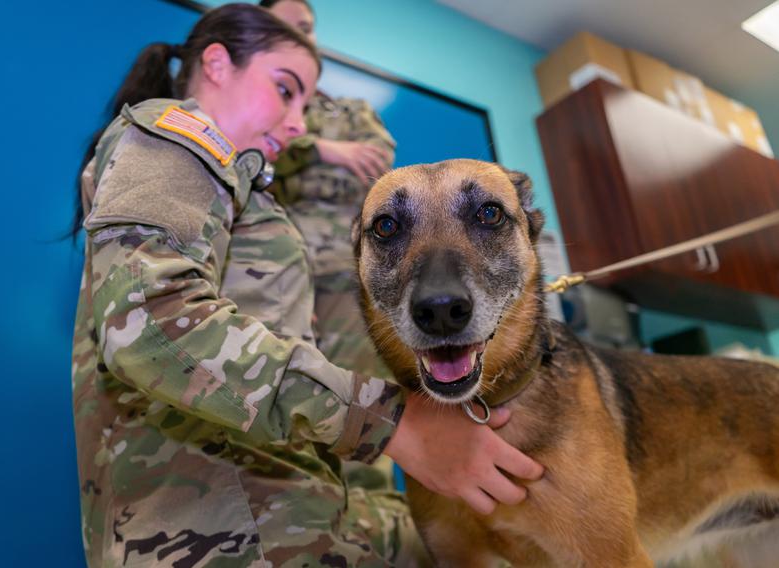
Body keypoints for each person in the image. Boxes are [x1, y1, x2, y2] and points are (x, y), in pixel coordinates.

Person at [71, 4, 543, 567]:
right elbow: (150, 326)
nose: (299, 122)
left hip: (278, 519)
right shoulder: (176, 135)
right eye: (285, 90)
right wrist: (392, 424)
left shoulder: (250, 189)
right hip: (223, 538)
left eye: (306, 102)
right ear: (217, 64)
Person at [260, 0, 396, 380]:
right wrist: (324, 150)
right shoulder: (256, 104)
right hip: (275, 272)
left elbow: (376, 161)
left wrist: (292, 161)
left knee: (363, 385)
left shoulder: (351, 111)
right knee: (279, 384)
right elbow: (253, 163)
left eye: (304, 27)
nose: (296, 37)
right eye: (281, 27)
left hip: (347, 269)